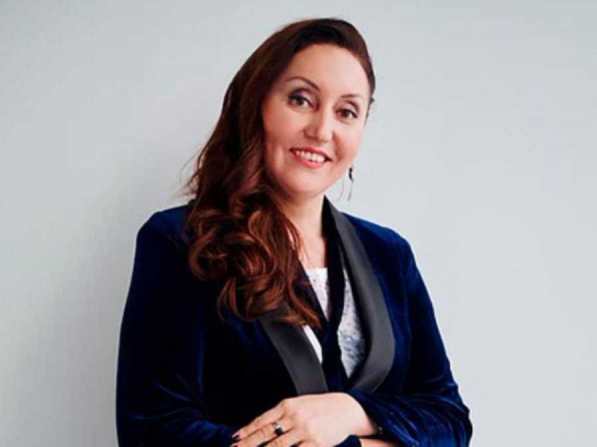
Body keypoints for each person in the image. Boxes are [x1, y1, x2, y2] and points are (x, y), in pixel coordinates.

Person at [115, 17, 473, 447]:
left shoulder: (389, 254)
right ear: (258, 105)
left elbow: (450, 421)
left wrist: (352, 412)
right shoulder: (182, 242)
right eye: (301, 100)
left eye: (346, 112)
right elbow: (153, 431)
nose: (322, 131)